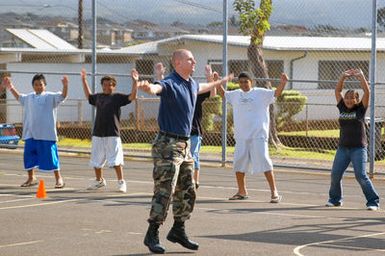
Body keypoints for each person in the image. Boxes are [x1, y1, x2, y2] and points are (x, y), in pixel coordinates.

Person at [137, 49, 233, 254]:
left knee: (188, 188)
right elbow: (157, 88)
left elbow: (204, 86)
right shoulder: (171, 82)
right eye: (190, 59)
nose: (194, 61)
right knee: (165, 189)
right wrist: (148, 87)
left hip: (185, 144)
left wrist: (220, 81)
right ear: (178, 62)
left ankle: (178, 229)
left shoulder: (191, 83)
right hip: (167, 144)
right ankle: (152, 232)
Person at [216, 71, 288, 203]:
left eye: (246, 81)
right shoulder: (236, 94)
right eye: (241, 82)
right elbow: (223, 94)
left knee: (265, 162)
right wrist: (217, 81)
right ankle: (242, 191)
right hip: (241, 137)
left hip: (258, 135)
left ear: (251, 82)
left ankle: (274, 192)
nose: (243, 84)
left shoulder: (261, 93)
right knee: (238, 164)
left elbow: (276, 93)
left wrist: (282, 83)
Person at [154, 63, 218, 189]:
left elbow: (212, 94)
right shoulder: (174, 88)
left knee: (193, 157)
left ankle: (194, 181)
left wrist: (210, 78)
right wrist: (159, 75)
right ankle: (178, 183)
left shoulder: (194, 88)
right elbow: (162, 89)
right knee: (175, 160)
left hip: (193, 132)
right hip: (176, 134)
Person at [326, 68, 380, 211]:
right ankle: (335, 199)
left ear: (357, 100)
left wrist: (361, 76)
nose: (349, 100)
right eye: (347, 98)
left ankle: (373, 202)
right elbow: (337, 91)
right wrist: (342, 77)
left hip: (358, 148)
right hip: (343, 148)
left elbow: (367, 92)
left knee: (361, 176)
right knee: (335, 175)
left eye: (352, 98)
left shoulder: (360, 109)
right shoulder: (342, 107)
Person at [2, 74, 68, 188]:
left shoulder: (50, 96)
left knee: (51, 158)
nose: (38, 87)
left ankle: (59, 179)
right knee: (29, 157)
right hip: (30, 134)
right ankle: (31, 178)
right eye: (36, 85)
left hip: (47, 135)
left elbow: (63, 96)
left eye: (40, 84)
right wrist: (10, 86)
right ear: (33, 86)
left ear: (45, 85)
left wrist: (65, 85)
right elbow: (19, 97)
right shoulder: (29, 97)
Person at [81, 69, 138, 193]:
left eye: (110, 85)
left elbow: (132, 96)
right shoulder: (98, 97)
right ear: (102, 86)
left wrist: (135, 82)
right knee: (96, 159)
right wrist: (84, 80)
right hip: (98, 133)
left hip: (112, 133)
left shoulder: (117, 97)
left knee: (116, 160)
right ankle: (99, 181)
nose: (107, 87)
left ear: (114, 86)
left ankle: (121, 182)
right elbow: (89, 96)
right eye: (105, 85)